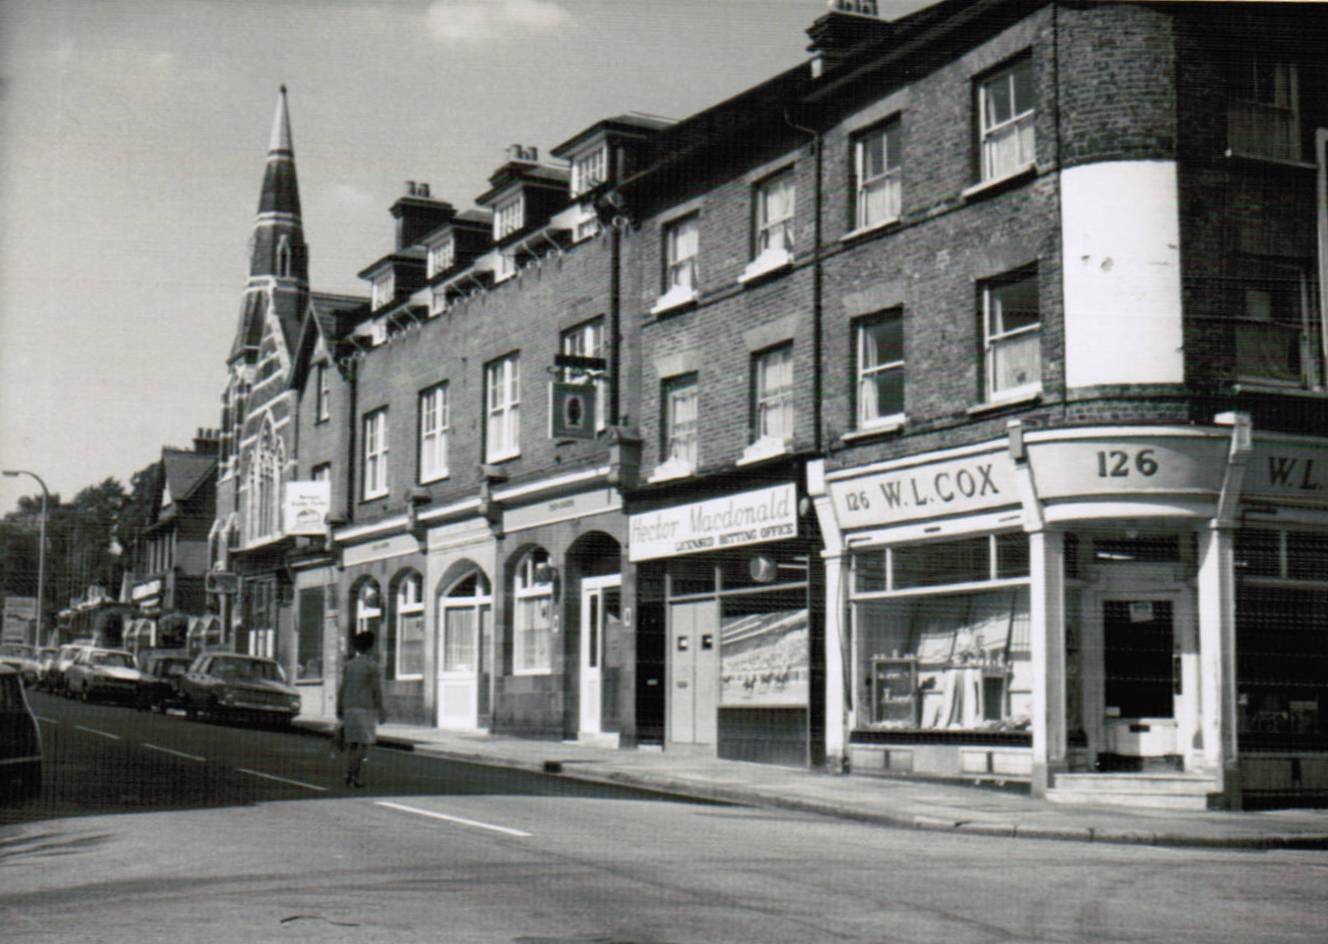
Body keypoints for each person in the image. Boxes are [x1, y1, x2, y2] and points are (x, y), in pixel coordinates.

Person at [336, 631, 386, 788]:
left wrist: (339, 707)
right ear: (371, 646)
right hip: (365, 708)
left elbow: (342, 688)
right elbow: (376, 690)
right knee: (363, 744)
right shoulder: (372, 666)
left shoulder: (349, 665)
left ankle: (348, 772)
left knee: (352, 744)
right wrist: (381, 709)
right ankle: (354, 775)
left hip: (349, 707)